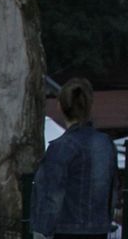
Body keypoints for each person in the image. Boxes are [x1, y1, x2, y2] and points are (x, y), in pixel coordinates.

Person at [31, 77, 119, 239]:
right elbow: (112, 190)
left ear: (60, 105)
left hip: (66, 229)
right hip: (98, 229)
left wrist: (43, 229)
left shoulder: (60, 147)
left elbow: (52, 195)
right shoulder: (106, 144)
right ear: (89, 105)